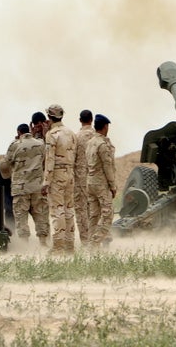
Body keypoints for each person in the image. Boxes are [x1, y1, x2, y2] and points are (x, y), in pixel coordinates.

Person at [41, 104, 78, 254]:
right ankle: (70, 245)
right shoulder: (71, 133)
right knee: (69, 209)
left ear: (49, 117)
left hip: (56, 175)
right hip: (70, 174)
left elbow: (49, 160)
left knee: (57, 211)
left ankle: (58, 246)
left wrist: (46, 182)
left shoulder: (52, 135)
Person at [5, 123, 50, 245]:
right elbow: (46, 159)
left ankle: (24, 244)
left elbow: (6, 163)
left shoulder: (15, 145)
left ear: (19, 133)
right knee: (41, 215)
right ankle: (43, 242)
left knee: (21, 217)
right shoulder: (40, 144)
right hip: (37, 187)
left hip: (21, 188)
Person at [85, 114, 116, 248]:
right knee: (108, 214)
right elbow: (107, 166)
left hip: (90, 182)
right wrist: (113, 185)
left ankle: (92, 245)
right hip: (101, 183)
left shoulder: (90, 142)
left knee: (94, 215)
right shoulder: (102, 145)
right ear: (105, 127)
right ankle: (95, 241)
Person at [73, 109, 95, 245]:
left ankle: (85, 241)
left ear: (80, 120)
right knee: (95, 209)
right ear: (91, 120)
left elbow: (72, 158)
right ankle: (97, 240)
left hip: (80, 180)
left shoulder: (76, 137)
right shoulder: (97, 136)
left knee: (81, 210)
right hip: (95, 178)